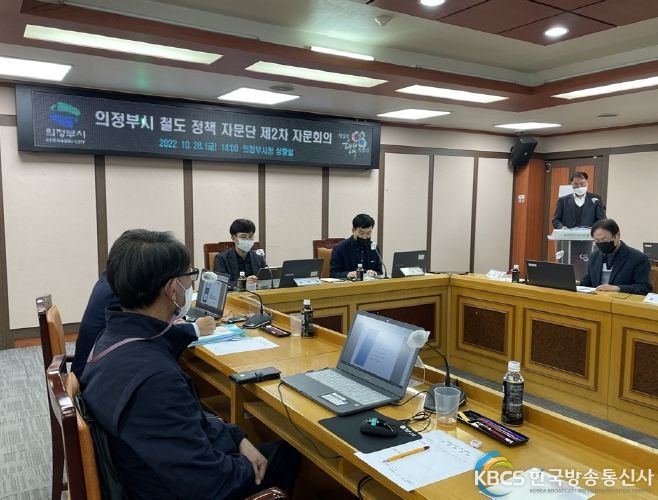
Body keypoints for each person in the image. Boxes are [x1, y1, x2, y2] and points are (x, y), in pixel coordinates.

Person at [81, 229, 299, 500]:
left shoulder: (112, 338)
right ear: (173, 289)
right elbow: (209, 483)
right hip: (165, 487)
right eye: (190, 276)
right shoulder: (155, 378)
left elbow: (186, 418)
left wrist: (236, 438)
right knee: (287, 453)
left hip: (145, 468)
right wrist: (244, 464)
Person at [71, 271, 214, 380]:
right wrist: (194, 328)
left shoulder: (111, 279)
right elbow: (149, 334)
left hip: (94, 372)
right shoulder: (124, 292)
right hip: (93, 380)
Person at [580, 219, 652, 295]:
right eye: (597, 240)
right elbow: (589, 280)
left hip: (621, 300)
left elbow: (644, 287)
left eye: (604, 239)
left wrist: (618, 288)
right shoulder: (594, 256)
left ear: (617, 235)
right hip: (597, 300)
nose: (601, 243)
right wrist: (577, 284)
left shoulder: (638, 258)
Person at [214, 219, 267, 286]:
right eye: (243, 237)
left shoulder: (258, 257)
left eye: (250, 237)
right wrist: (243, 283)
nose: (248, 240)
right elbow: (221, 283)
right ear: (233, 238)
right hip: (234, 292)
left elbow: (267, 279)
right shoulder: (222, 258)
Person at [330, 213, 382, 279]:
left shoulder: (374, 248)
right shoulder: (340, 248)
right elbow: (333, 274)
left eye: (368, 233)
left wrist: (374, 273)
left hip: (369, 284)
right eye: (361, 233)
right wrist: (347, 274)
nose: (365, 237)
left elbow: (379, 272)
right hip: (349, 284)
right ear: (353, 230)